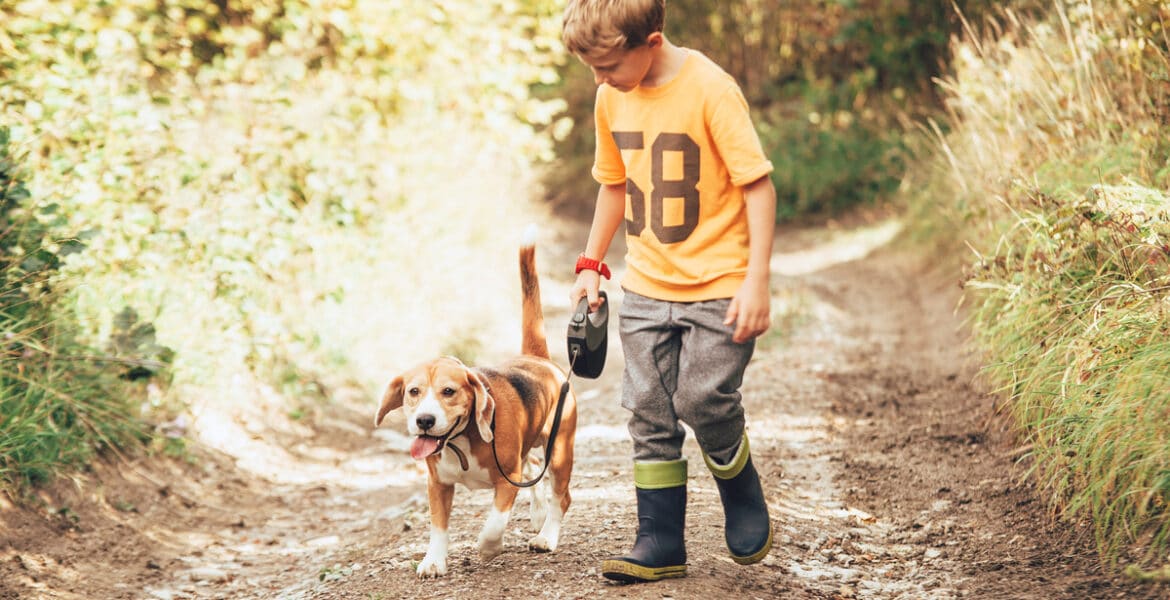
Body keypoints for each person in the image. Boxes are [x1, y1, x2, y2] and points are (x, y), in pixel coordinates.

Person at [562, 0, 778, 584]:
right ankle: (659, 541)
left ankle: (739, 485)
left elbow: (757, 187)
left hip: (720, 285)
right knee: (649, 411)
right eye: (593, 69)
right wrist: (591, 263)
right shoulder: (612, 96)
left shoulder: (710, 88)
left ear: (650, 42)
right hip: (648, 285)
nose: (599, 80)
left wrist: (756, 278)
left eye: (607, 66)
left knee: (703, 399)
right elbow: (613, 185)